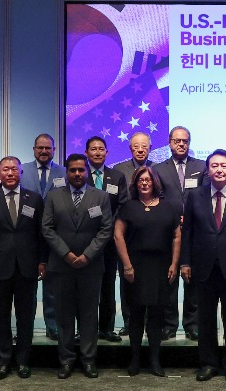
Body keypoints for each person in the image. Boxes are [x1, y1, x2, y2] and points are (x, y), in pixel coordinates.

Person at [181, 149, 226, 382]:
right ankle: (208, 363)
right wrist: (185, 261)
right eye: (214, 166)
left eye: (223, 165)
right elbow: (188, 232)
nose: (219, 169)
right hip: (203, 267)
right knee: (205, 319)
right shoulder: (195, 196)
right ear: (208, 170)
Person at [42, 154, 112, 379]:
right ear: (67, 172)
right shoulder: (53, 196)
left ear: (87, 171)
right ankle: (66, 360)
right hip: (62, 266)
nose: (77, 174)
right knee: (64, 316)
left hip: (91, 266)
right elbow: (47, 229)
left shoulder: (101, 197)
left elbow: (105, 229)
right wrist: (67, 254)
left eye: (81, 170)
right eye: (72, 170)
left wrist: (87, 256)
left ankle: (89, 360)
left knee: (89, 315)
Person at [0, 156, 46, 380]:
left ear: (20, 172)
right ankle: (4, 360)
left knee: (26, 316)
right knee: (0, 316)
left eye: (13, 169)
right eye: (5, 169)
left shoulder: (34, 199)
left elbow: (41, 235)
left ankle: (23, 360)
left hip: (27, 267)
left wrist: (42, 261)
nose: (9, 173)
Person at [114, 167, 181, 377]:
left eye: (148, 180)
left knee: (156, 316)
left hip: (161, 267)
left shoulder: (169, 207)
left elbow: (176, 237)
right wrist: (126, 265)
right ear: (135, 183)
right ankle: (134, 360)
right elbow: (118, 236)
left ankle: (154, 360)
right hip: (134, 268)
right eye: (141, 180)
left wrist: (174, 263)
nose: (144, 183)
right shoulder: (127, 207)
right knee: (135, 316)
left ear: (155, 183)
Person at [152, 126, 205, 341]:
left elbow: (205, 195)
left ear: (189, 143)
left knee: (192, 280)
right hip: (169, 232)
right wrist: (173, 218)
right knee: (170, 279)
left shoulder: (201, 166)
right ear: (170, 142)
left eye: (185, 141)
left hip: (195, 232)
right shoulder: (158, 168)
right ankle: (169, 324)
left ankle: (192, 324)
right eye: (177, 141)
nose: (181, 144)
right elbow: (157, 198)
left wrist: (190, 217)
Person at [20, 133, 66, 341]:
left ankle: (52, 325)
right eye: (40, 148)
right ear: (33, 149)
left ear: (54, 150)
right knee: (25, 286)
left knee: (52, 285)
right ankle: (24, 327)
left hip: (54, 234)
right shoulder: (22, 170)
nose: (44, 151)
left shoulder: (63, 172)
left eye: (48, 148)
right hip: (27, 234)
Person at [85, 136, 129, 343]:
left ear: (107, 153)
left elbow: (123, 205)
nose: (97, 152)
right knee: (86, 287)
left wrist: (108, 227)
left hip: (110, 241)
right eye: (93, 149)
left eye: (101, 149)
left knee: (108, 285)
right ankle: (86, 328)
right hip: (86, 239)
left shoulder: (117, 176)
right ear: (86, 153)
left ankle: (106, 328)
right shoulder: (80, 175)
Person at [112, 131, 154, 336]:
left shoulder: (158, 169)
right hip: (127, 234)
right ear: (130, 148)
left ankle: (149, 322)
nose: (140, 149)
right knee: (127, 278)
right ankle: (129, 322)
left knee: (149, 279)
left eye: (144, 146)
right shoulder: (119, 170)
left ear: (150, 148)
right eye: (136, 146)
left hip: (152, 234)